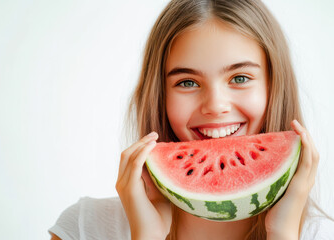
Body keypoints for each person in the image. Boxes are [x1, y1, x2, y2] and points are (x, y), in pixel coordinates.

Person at [49, 0, 334, 239]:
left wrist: (282, 234)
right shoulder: (85, 228)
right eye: (187, 82)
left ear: (274, 87)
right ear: (159, 95)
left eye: (240, 78)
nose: (215, 106)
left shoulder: (321, 235)